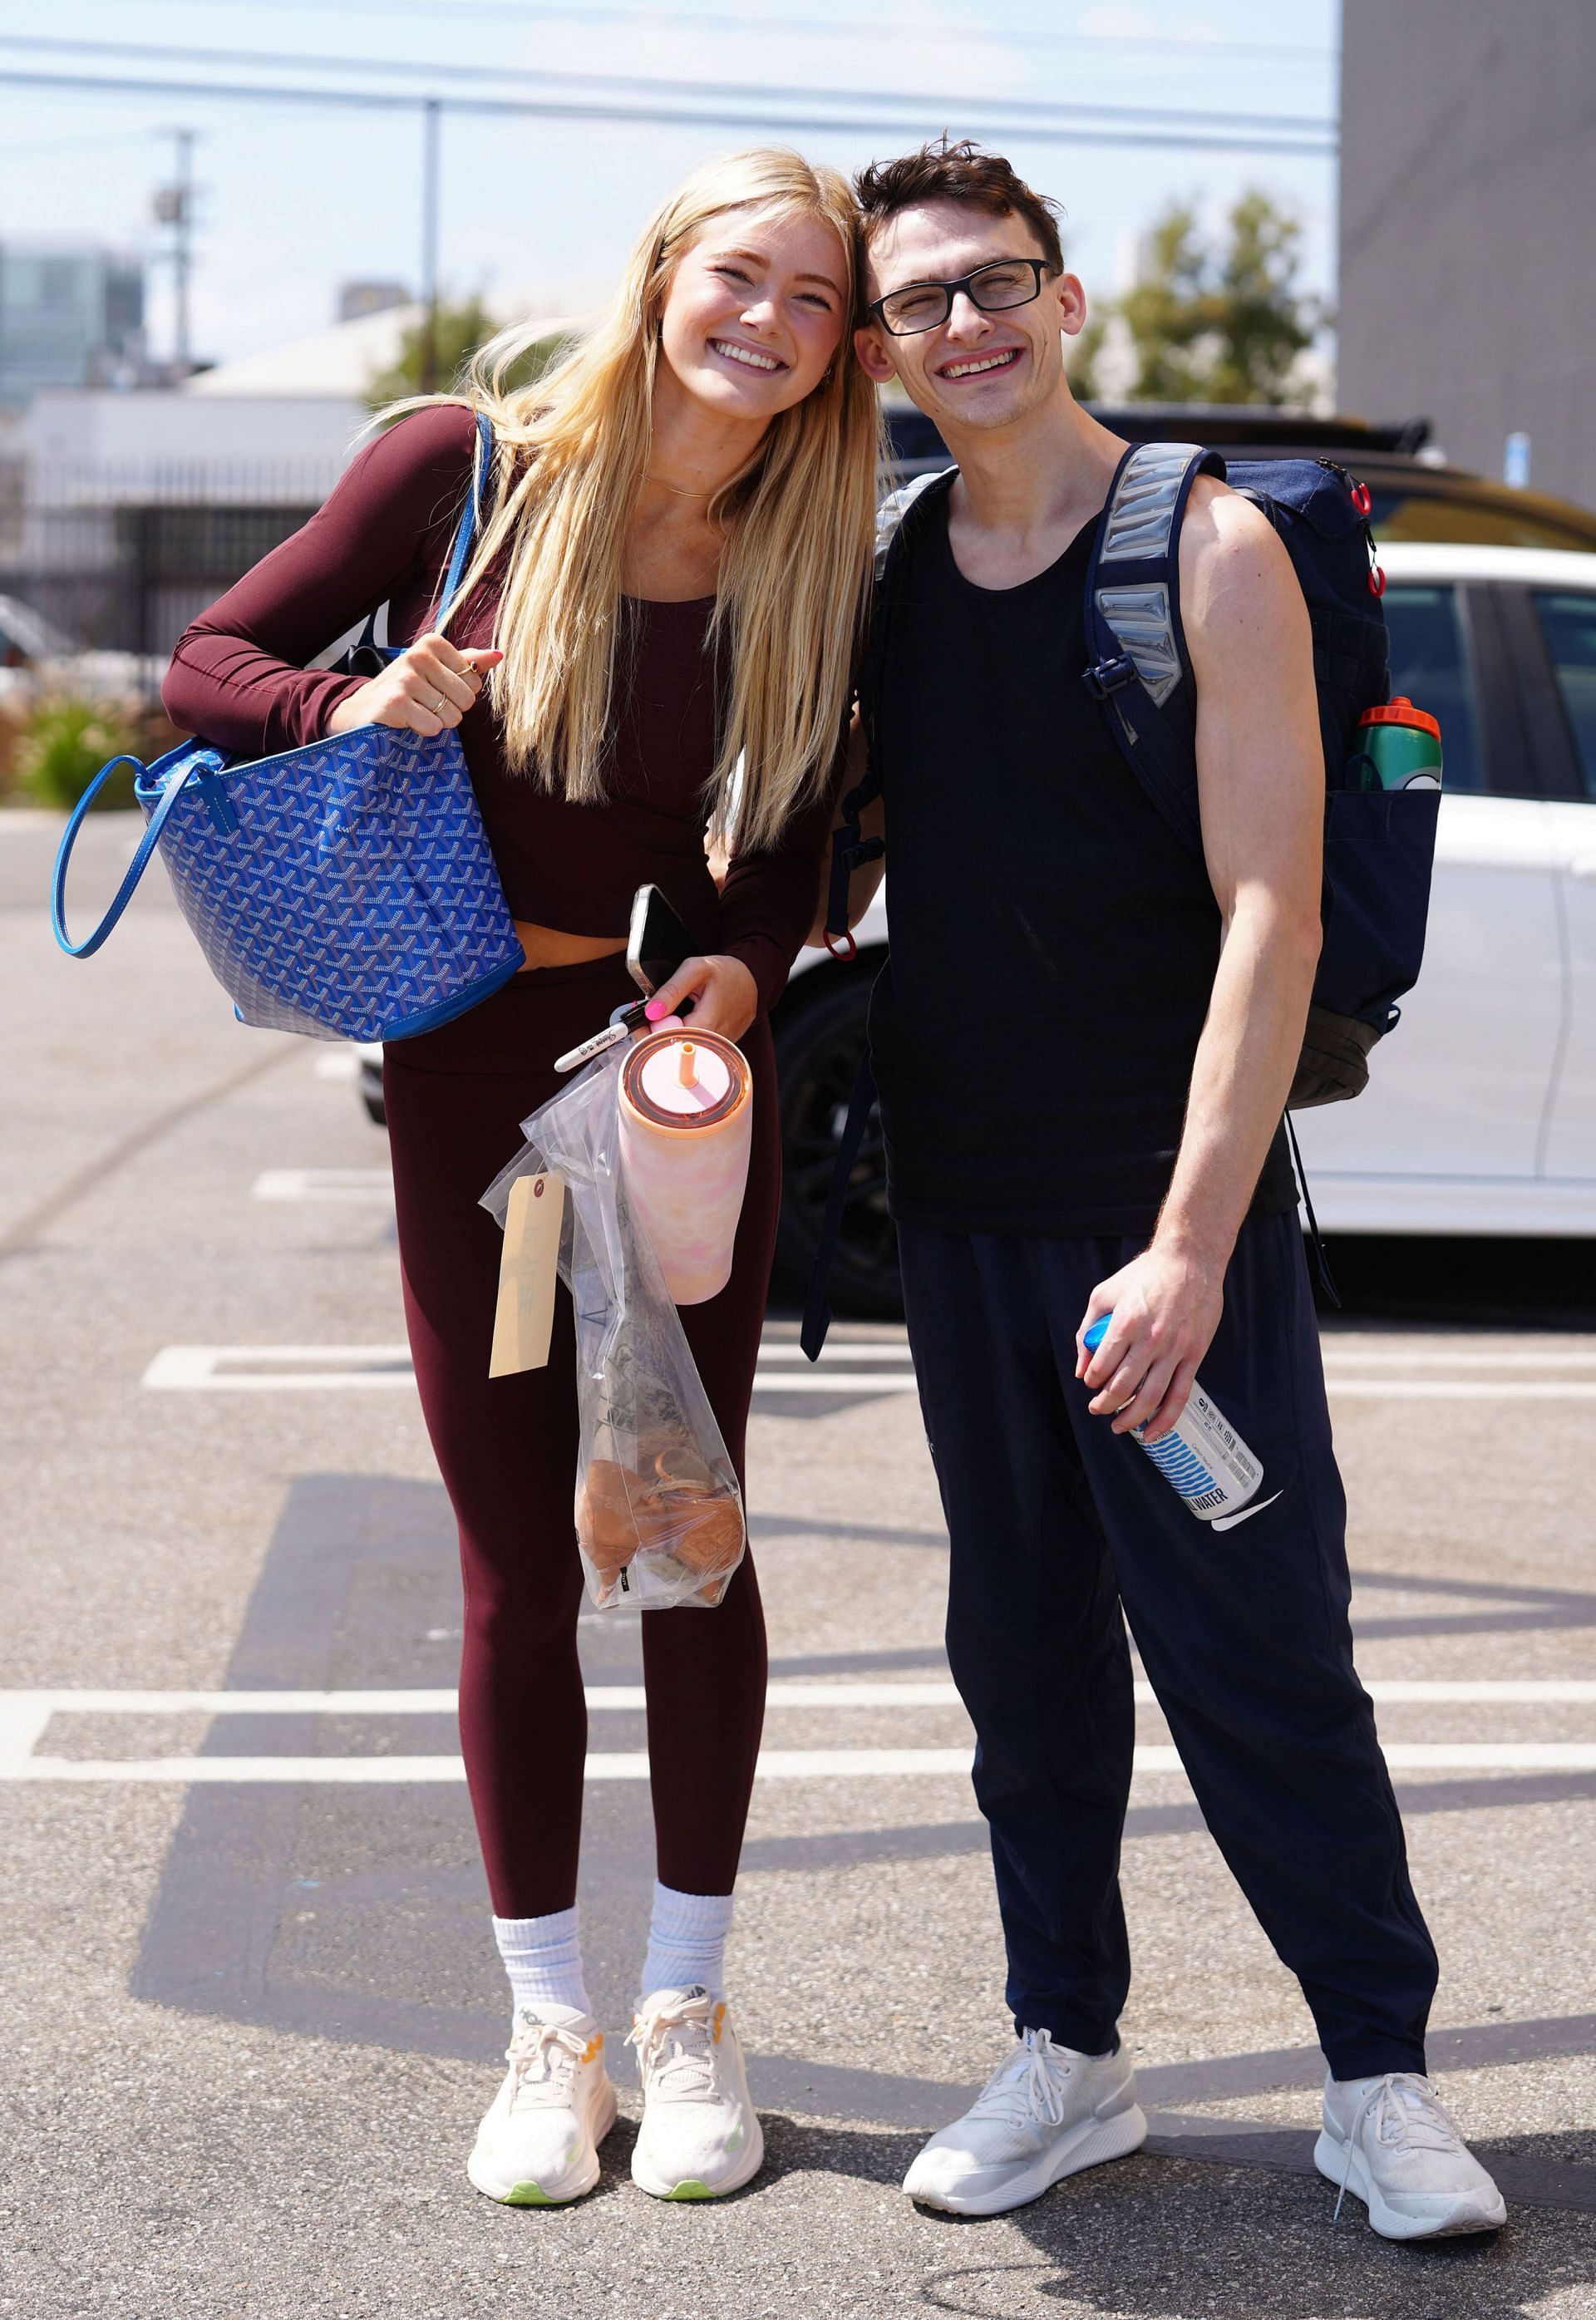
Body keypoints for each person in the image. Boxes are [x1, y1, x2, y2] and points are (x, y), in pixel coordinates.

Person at [163, 147, 877, 2209]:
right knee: (509, 1559)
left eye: (814, 300)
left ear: (837, 347)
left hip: (667, 1082)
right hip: (474, 1074)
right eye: (743, 276)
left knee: (686, 1531)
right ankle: (549, 2027)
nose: (771, 321)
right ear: (667, 275)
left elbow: (814, 828)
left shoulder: (808, 546)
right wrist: (354, 693)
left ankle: (692, 2011)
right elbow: (211, 667)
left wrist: (753, 957)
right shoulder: (464, 469)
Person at [825, 138, 1505, 2240]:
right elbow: (868, 858)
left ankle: (1379, 2079)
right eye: (925, 300)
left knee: (1258, 1650)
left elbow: (1271, 906)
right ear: (875, 348)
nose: (971, 320)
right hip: (960, 1208)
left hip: (1161, 1231)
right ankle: (1070, 2051)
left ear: (1070, 295)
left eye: (1001, 278)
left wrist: (1193, 1244)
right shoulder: (893, 570)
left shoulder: (1203, 548)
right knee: (1020, 1658)